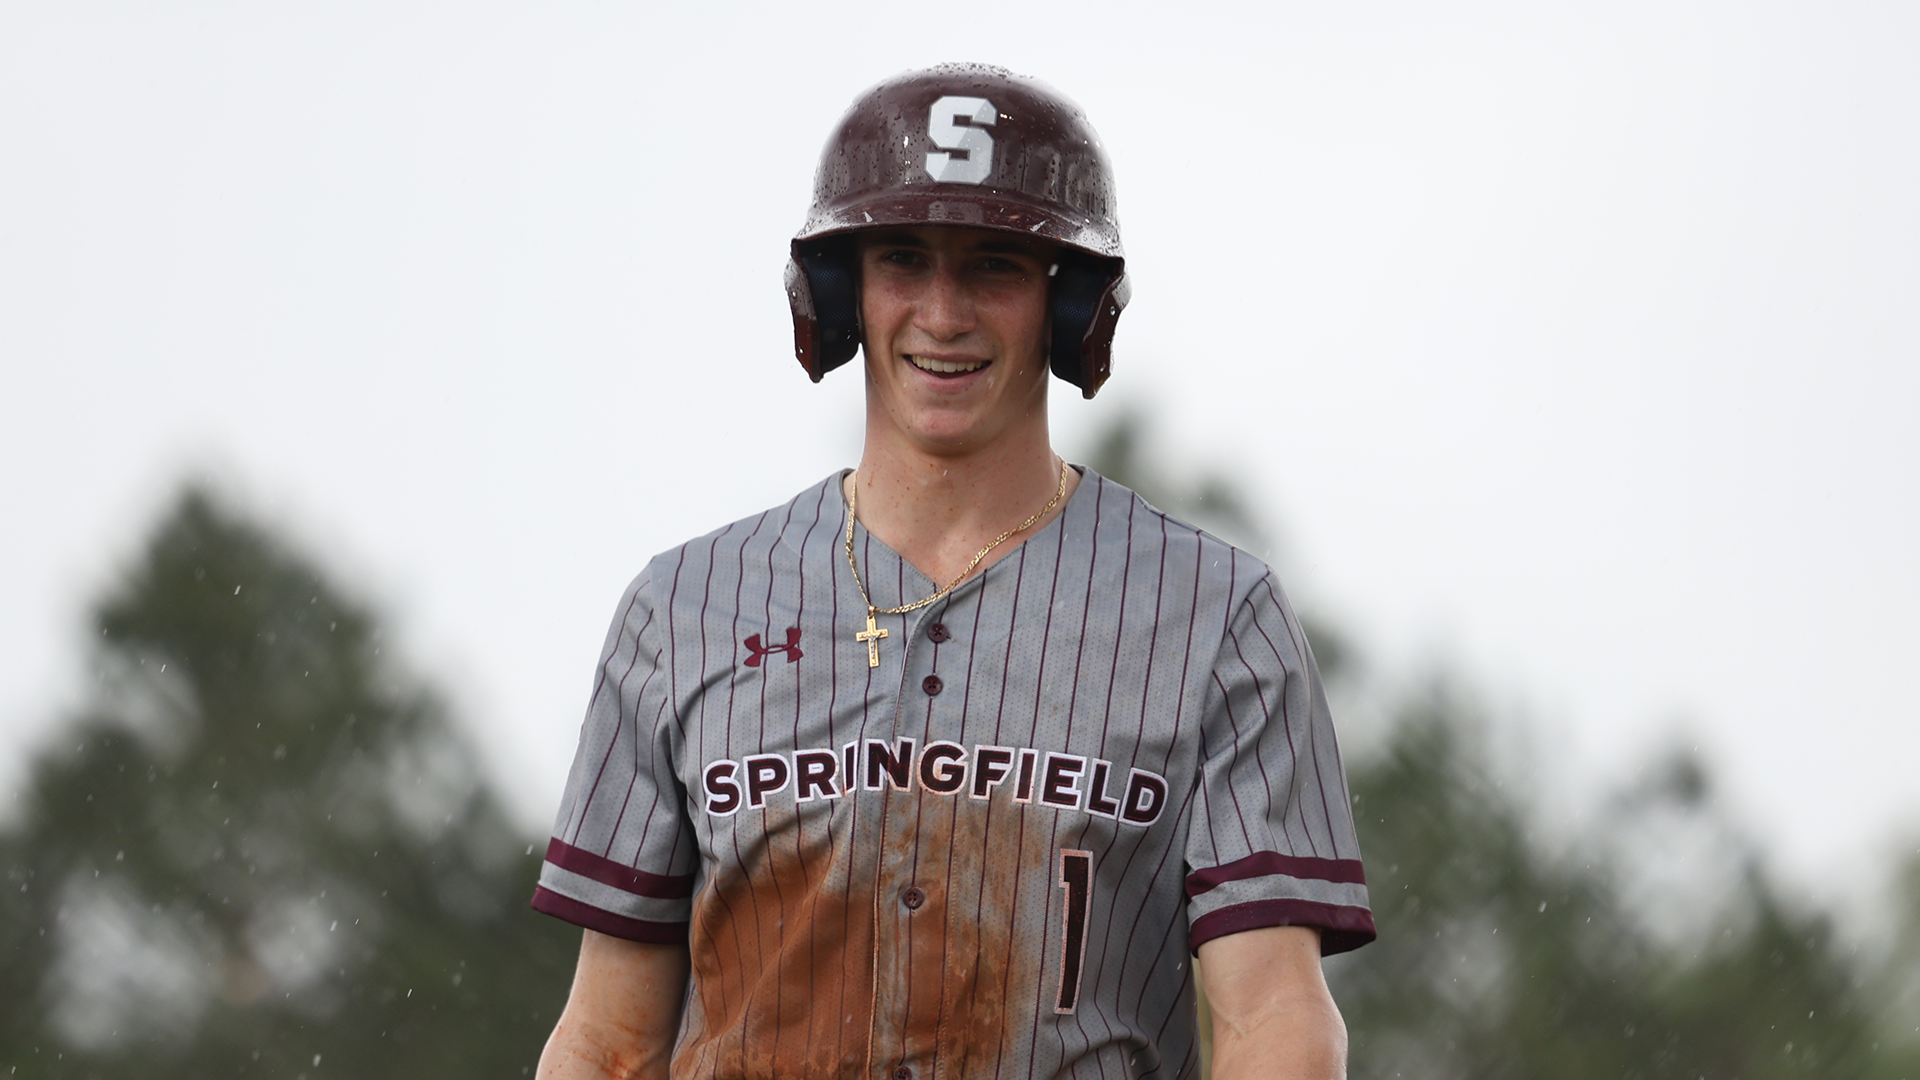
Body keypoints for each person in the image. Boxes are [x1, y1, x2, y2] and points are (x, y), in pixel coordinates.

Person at [531, 63, 1374, 1080]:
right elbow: (610, 1042)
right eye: (902, 259)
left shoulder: (1214, 616)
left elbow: (1272, 1017)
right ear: (840, 293)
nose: (943, 313)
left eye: (994, 267)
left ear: (1068, 307)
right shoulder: (681, 612)